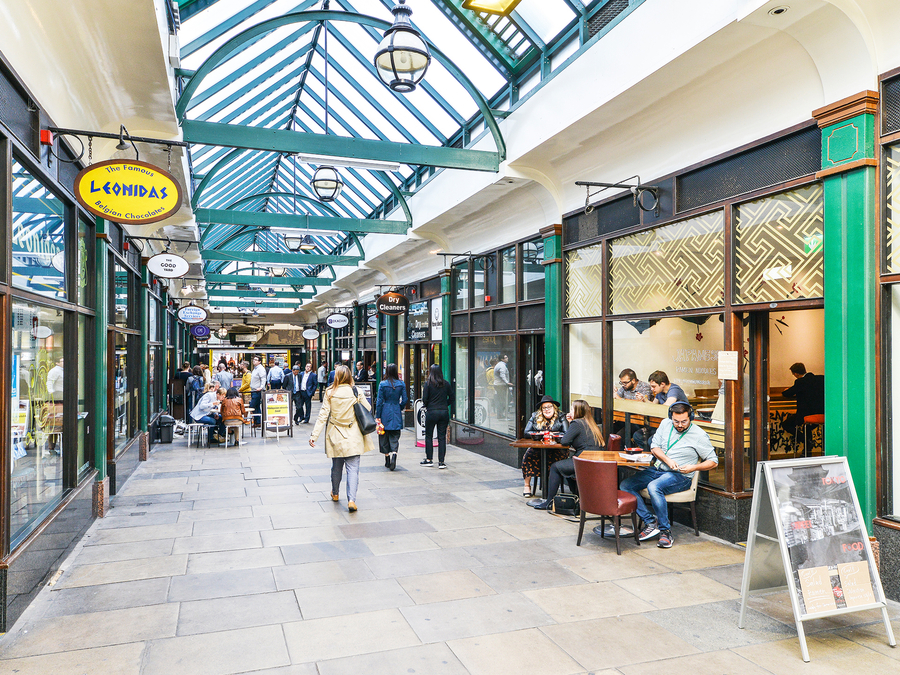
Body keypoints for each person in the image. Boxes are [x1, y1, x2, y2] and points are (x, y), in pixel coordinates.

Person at [621, 402, 718, 548]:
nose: (679, 425)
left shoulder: (699, 435)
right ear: (670, 417)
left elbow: (713, 461)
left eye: (684, 421)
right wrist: (667, 460)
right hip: (659, 469)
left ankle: (665, 531)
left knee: (654, 487)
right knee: (626, 485)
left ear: (690, 417)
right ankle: (650, 522)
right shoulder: (665, 424)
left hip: (680, 476)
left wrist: (694, 467)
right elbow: (654, 446)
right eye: (676, 421)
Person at [309, 365, 374, 512]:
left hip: (335, 434)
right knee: (353, 468)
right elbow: (368, 408)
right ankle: (351, 500)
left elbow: (323, 415)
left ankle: (336, 493)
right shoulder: (356, 391)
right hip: (354, 434)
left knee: (336, 466)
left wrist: (314, 435)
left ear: (336, 376)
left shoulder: (330, 392)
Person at [532, 400, 605, 509]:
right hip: (597, 461)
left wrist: (570, 424)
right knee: (567, 467)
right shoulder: (591, 423)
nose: (570, 411)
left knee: (555, 467)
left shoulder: (577, 423)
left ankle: (549, 502)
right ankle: (576, 498)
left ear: (578, 411)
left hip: (584, 461)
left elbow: (565, 441)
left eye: (572, 409)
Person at [521, 395, 569, 497]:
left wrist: (554, 435)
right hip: (538, 448)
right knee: (528, 456)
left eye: (549, 407)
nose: (547, 410)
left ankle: (550, 487)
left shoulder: (561, 417)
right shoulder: (535, 416)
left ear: (554, 408)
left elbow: (566, 433)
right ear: (541, 409)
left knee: (552, 459)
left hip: (557, 450)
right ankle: (527, 485)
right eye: (544, 407)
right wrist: (541, 434)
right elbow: (526, 432)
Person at [632, 370, 689, 450]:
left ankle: (656, 458)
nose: (651, 389)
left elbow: (666, 407)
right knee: (638, 436)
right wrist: (644, 400)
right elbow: (654, 405)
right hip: (662, 424)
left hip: (676, 426)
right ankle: (650, 457)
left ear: (662, 384)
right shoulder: (660, 392)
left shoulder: (674, 390)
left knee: (651, 440)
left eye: (654, 386)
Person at [375, 363, 408, 471]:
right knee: (395, 435)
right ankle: (394, 454)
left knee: (384, 436)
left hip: (385, 410)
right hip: (396, 410)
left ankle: (387, 458)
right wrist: (400, 407)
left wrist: (378, 415)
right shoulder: (401, 384)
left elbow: (379, 401)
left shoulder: (382, 384)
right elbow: (405, 399)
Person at [781, 362, 825, 439]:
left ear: (796, 374)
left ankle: (805, 440)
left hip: (806, 415)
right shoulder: (821, 379)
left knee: (786, 425)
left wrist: (786, 390)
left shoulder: (800, 382)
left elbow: (787, 393)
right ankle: (809, 446)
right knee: (808, 427)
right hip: (822, 414)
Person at [420, 364, 452, 468]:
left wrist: (429, 405)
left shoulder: (428, 384)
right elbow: (452, 397)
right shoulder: (446, 384)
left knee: (429, 435)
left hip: (432, 412)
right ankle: (441, 462)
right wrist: (444, 404)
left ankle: (429, 459)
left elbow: (424, 399)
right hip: (443, 412)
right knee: (441, 437)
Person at [249, 356, 266, 425]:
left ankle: (257, 421)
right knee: (256, 406)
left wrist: (261, 387)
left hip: (257, 391)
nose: (254, 361)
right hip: (253, 390)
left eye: (256, 360)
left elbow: (263, 378)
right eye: (253, 359)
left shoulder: (261, 369)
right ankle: (257, 422)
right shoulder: (255, 369)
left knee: (252, 405)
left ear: (259, 361)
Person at [493, 354, 511, 419]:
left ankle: (500, 414)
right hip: (500, 385)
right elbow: (502, 375)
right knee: (504, 400)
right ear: (502, 359)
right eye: (505, 357)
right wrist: (507, 382)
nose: (507, 358)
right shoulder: (502, 366)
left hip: (499, 385)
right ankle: (501, 414)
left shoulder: (500, 365)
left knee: (502, 400)